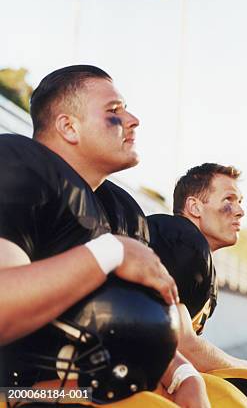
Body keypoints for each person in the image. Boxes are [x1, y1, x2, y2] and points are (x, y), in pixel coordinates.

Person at [0, 65, 209, 407]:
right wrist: (110, 253)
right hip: (19, 391)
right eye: (114, 111)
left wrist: (185, 375)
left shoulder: (121, 211)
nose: (133, 119)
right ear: (68, 126)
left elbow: (137, 327)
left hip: (97, 384)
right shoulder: (19, 165)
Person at [147, 163, 247, 407]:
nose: (239, 211)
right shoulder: (181, 238)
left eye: (240, 201)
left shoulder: (198, 256)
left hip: (147, 368)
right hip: (112, 375)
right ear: (194, 207)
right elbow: (182, 343)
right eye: (229, 199)